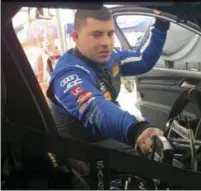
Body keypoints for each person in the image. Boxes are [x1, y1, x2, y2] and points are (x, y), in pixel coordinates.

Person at [47, 7, 170, 155]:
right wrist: (137, 129)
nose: (106, 42)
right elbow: (94, 108)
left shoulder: (111, 58)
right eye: (97, 35)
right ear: (76, 37)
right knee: (146, 162)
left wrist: (161, 24)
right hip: (80, 149)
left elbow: (144, 60)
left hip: (106, 133)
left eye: (110, 34)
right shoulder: (68, 74)